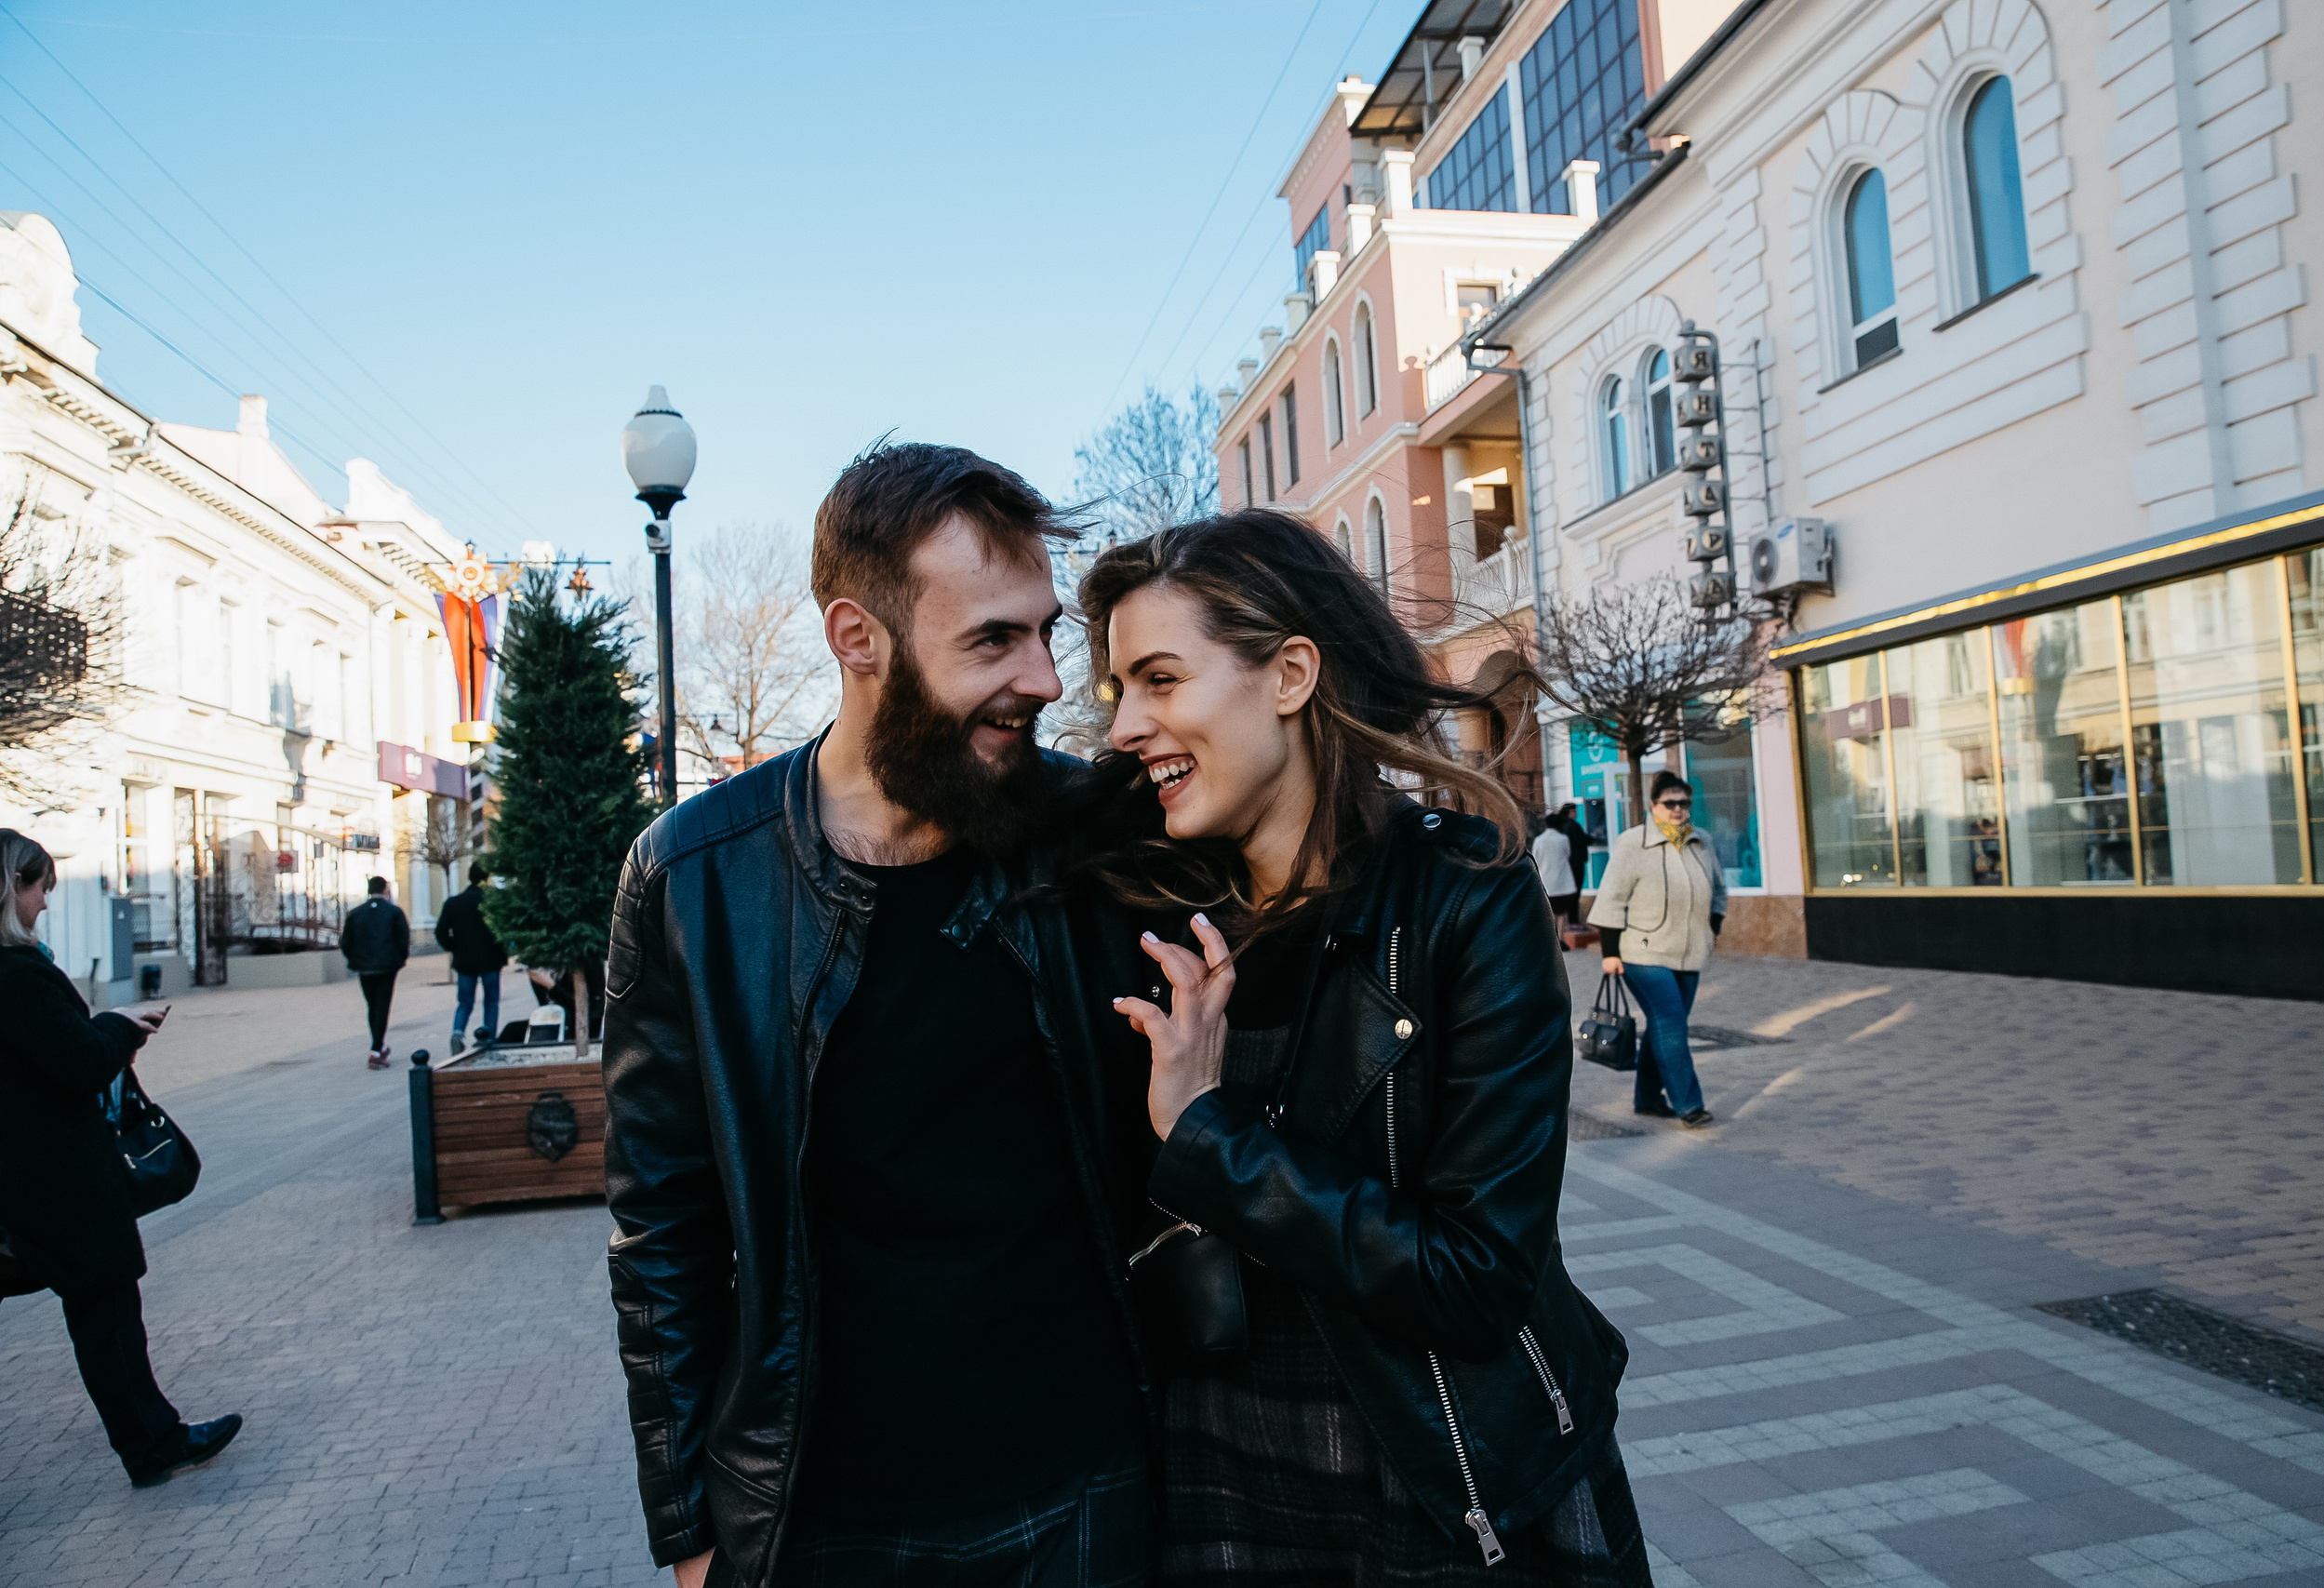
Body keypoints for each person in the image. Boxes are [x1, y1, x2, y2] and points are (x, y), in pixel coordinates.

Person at [603, 443, 1152, 1588]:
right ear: (858, 639)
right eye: (993, 639)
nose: (1047, 679)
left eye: (1044, 631)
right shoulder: (696, 879)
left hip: (1086, 1490)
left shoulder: (1092, 836)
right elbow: (662, 1228)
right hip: (824, 1511)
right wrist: (690, 1529)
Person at [1075, 510, 1650, 1585]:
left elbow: (1477, 1277)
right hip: (1212, 1475)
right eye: (1117, 692)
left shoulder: (1464, 906)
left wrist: (1209, 1137)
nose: (1123, 727)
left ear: (1290, 673)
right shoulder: (1144, 912)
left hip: (1431, 1477)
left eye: (1159, 679)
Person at [0, 829, 243, 1487]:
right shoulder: (16, 976)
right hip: (57, 1177)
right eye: (37, 889)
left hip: (35, 1172)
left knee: (103, 1309)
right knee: (106, 1313)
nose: (44, 903)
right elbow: (77, 1063)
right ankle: (152, 1445)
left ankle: (153, 1439)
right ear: (8, 888)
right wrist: (115, 1026)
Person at [1587, 770, 1727, 1128]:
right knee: (1671, 1023)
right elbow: (1611, 899)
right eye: (1670, 803)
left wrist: (1712, 929)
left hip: (1690, 952)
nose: (1678, 809)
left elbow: (1719, 891)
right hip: (1641, 952)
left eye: (1684, 803)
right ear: (1653, 806)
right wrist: (1610, 953)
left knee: (1663, 1026)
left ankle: (1648, 1099)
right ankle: (1689, 1105)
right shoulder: (1634, 843)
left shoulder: (1702, 840)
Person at [434, 861, 507, 1056]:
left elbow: (440, 932)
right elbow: (504, 930)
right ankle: (488, 1038)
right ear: (487, 878)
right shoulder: (495, 902)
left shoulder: (454, 902)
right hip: (491, 959)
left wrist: (454, 947)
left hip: (465, 961)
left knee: (465, 1002)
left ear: (469, 878)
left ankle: (458, 1033)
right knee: (491, 1001)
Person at [338, 875, 408, 1069]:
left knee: (372, 1005)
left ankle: (379, 1046)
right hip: (387, 966)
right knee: (382, 1006)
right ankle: (376, 1049)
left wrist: (355, 959)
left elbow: (346, 943)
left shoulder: (355, 914)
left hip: (364, 967)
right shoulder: (394, 912)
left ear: (369, 890)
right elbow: (403, 939)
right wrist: (400, 959)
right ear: (385, 889)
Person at [1534, 810, 1582, 927]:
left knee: (1548, 913)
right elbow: (1568, 854)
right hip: (1563, 881)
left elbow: (1535, 858)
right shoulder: (1563, 839)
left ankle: (1553, 938)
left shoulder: (1539, 840)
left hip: (1545, 881)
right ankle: (1560, 938)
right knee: (1561, 913)